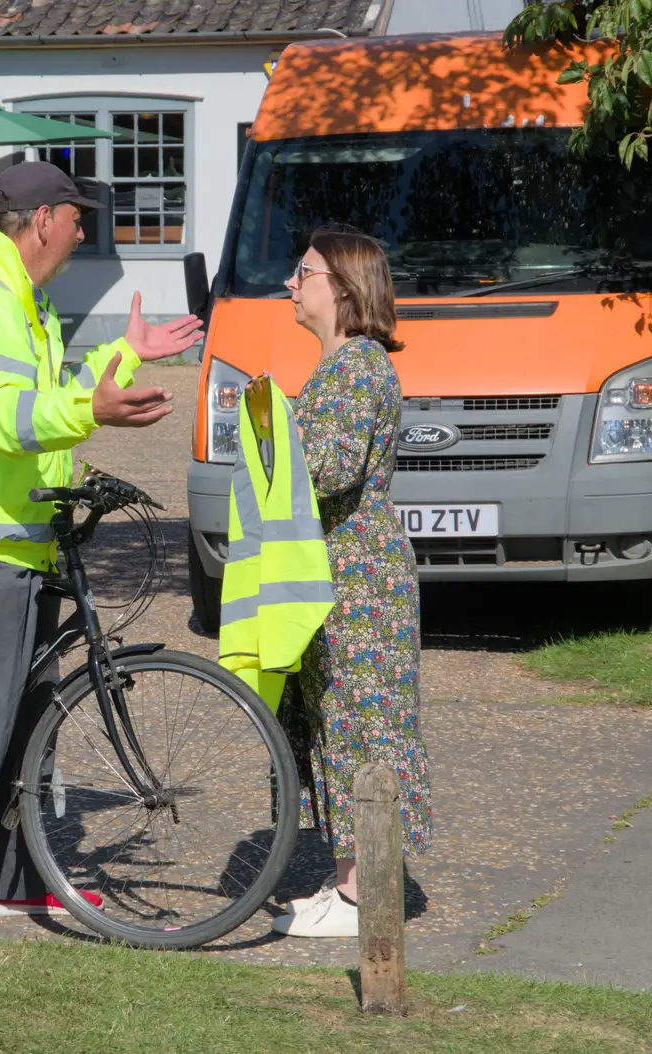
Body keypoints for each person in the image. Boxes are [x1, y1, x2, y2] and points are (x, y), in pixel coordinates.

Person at [0, 162, 203, 935]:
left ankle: (11, 877)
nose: (83, 231)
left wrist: (122, 362)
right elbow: (10, 419)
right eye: (78, 217)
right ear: (42, 220)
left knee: (29, 720)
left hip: (21, 539)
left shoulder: (23, 302)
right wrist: (95, 408)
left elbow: (51, 396)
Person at [270, 224, 430, 938]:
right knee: (334, 721)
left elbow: (330, 468)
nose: (289, 285)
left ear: (341, 286)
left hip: (359, 578)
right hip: (338, 572)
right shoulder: (339, 366)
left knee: (366, 726)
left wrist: (270, 438)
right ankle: (346, 884)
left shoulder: (358, 365)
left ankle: (367, 894)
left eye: (302, 273)